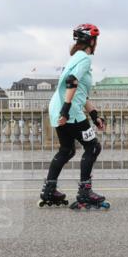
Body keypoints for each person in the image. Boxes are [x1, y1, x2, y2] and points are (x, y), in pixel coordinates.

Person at [38, 23, 107, 210]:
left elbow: (80, 93)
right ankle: (85, 192)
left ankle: (49, 190)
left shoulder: (74, 58)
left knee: (67, 150)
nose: (96, 44)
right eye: (96, 40)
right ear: (91, 41)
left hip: (58, 108)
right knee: (93, 147)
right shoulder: (84, 58)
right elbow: (72, 82)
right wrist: (66, 110)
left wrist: (95, 115)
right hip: (69, 112)